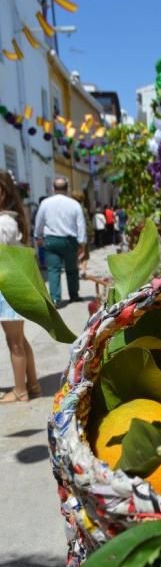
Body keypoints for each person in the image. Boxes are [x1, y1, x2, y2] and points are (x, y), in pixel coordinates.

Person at [0, 171, 40, 403]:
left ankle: (20, 390)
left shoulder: (4, 222)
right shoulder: (8, 220)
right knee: (20, 339)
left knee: (14, 341)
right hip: (12, 286)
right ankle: (32, 384)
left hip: (8, 289)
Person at [34, 177, 86, 308]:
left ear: (53, 188)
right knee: (72, 269)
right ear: (67, 189)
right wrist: (82, 243)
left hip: (51, 240)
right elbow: (81, 224)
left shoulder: (45, 203)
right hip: (70, 241)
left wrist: (38, 236)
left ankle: (56, 299)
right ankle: (74, 295)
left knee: (53, 270)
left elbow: (39, 221)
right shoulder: (74, 204)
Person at [71, 189, 92, 276]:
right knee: (85, 254)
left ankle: (77, 268)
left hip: (73, 234)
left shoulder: (71, 209)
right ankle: (83, 270)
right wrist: (91, 233)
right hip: (84, 234)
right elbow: (88, 223)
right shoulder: (84, 209)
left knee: (75, 253)